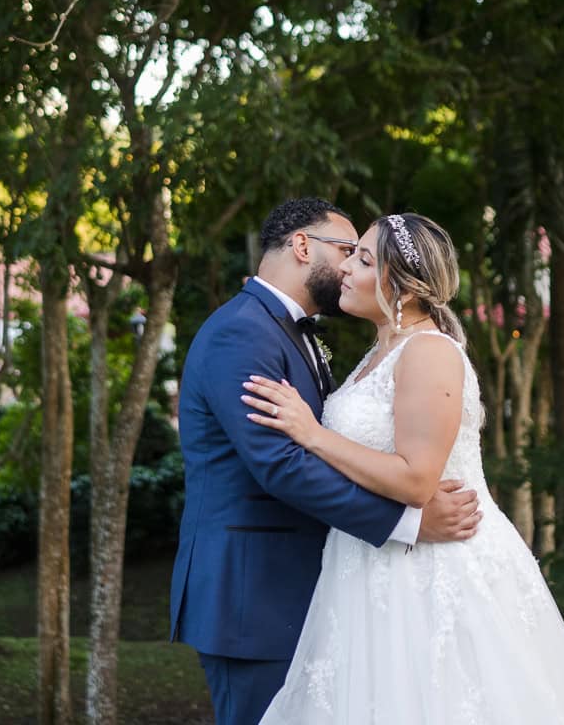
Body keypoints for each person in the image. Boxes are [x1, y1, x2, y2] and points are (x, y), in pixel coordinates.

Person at [243, 212, 564, 724]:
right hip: (367, 565)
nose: (346, 268)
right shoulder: (377, 354)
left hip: (432, 570)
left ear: (403, 288)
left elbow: (416, 480)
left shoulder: (429, 352)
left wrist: (312, 434)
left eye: (363, 259)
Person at [170, 199, 485, 725]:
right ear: (300, 246)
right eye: (346, 251)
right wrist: (409, 522)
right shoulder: (243, 331)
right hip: (254, 596)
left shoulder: (302, 332)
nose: (346, 267)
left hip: (321, 586)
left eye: (359, 257)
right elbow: (279, 464)